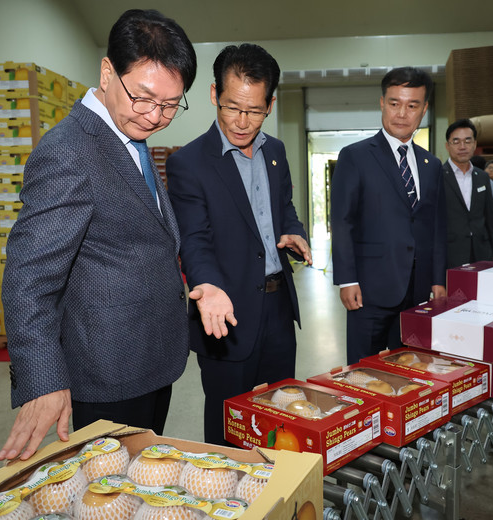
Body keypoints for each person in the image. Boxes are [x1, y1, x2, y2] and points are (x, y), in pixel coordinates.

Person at [0, 9, 199, 461]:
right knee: (110, 488)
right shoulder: (68, 152)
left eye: (171, 105)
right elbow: (29, 280)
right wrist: (44, 379)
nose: (155, 116)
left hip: (149, 359)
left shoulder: (128, 138)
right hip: (107, 373)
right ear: (107, 73)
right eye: (144, 98)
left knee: (143, 477)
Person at [166, 44, 311, 445]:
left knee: (284, 419)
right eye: (232, 107)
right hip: (225, 313)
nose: (242, 122)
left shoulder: (275, 151)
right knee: (228, 427)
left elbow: (284, 207)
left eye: (255, 111)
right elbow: (194, 238)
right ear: (215, 94)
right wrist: (207, 285)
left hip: (278, 308)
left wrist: (294, 231)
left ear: (270, 105)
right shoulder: (189, 163)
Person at [331, 67, 446, 365]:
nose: (402, 114)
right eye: (395, 103)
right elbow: (342, 221)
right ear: (382, 103)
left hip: (418, 290)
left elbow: (435, 227)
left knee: (411, 367)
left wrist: (437, 279)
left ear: (424, 109)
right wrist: (346, 280)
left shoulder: (432, 165)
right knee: (364, 371)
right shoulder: (355, 156)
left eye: (412, 105)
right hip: (369, 289)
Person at [442, 119, 493, 268]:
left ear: (474, 144)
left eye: (467, 141)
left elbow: (490, 218)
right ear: (447, 146)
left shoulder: (482, 177)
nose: (462, 146)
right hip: (450, 254)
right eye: (456, 141)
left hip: (482, 253)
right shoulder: (437, 176)